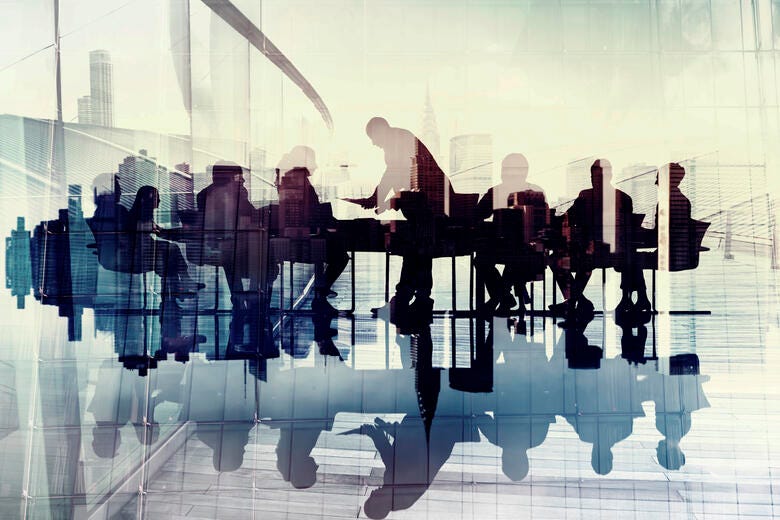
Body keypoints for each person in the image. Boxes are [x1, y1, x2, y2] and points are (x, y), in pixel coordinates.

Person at [550, 159, 644, 319]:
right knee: (558, 259)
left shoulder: (617, 198)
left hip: (603, 250)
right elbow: (569, 216)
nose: (596, 181)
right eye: (593, 177)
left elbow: (569, 218)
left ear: (609, 176)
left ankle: (573, 302)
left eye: (599, 177)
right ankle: (577, 300)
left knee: (576, 260)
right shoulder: (590, 197)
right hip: (595, 249)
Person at [276, 146, 349, 315]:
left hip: (301, 236)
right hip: (303, 239)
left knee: (338, 253)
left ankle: (321, 292)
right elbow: (306, 212)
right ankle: (320, 295)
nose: (315, 165)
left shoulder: (290, 178)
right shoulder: (297, 180)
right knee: (340, 257)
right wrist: (326, 221)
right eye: (313, 160)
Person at [474, 153, 547, 315]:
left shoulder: (496, 192)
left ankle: (501, 297)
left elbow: (477, 214)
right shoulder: (535, 192)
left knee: (483, 260)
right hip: (523, 249)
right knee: (502, 259)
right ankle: (503, 296)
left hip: (513, 248)